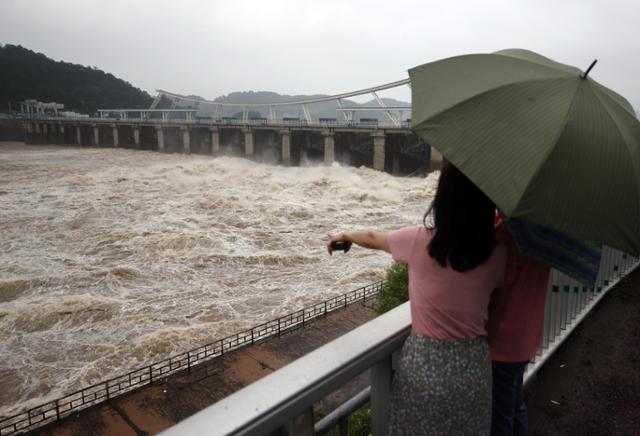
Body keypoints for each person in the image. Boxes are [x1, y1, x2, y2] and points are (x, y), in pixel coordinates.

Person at [327, 163, 506, 435]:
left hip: (425, 366)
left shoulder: (418, 240)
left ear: (442, 201)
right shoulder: (498, 255)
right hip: (473, 367)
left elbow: (374, 238)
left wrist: (346, 235)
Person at [487, 220, 551, 436]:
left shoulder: (508, 232)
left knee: (500, 415)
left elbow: (493, 281)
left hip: (502, 339)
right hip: (526, 336)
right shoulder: (543, 234)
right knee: (514, 405)